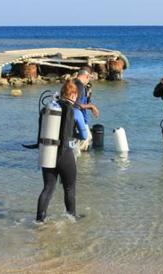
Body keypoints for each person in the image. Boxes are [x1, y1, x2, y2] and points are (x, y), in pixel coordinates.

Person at [36, 79, 88, 223]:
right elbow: (84, 135)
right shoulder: (75, 112)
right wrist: (75, 134)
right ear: (73, 95)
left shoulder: (50, 108)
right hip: (65, 154)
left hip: (48, 151)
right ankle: (72, 217)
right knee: (69, 188)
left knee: (48, 188)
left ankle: (39, 220)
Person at [74, 66, 99, 151]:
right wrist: (91, 106)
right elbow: (76, 104)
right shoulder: (79, 86)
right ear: (87, 76)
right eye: (90, 78)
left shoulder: (73, 83)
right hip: (79, 120)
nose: (89, 81)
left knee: (85, 140)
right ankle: (82, 163)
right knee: (85, 140)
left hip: (74, 119)